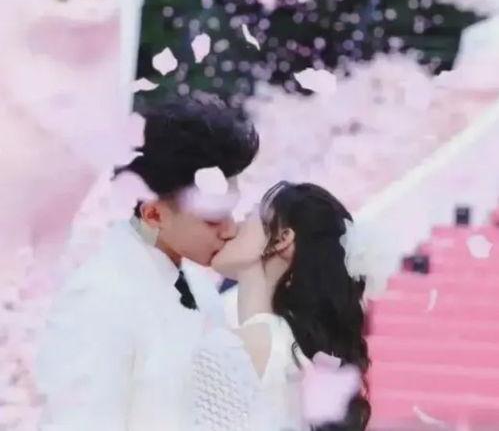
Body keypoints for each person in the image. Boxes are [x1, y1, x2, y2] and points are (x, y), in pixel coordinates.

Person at [35, 98, 259, 431]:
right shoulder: (100, 298)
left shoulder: (197, 288)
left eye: (231, 212)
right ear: (153, 213)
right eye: (213, 219)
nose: (230, 230)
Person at [187, 181, 371, 431]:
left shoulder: (247, 346)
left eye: (247, 218)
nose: (231, 229)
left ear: (281, 238)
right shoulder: (294, 353)